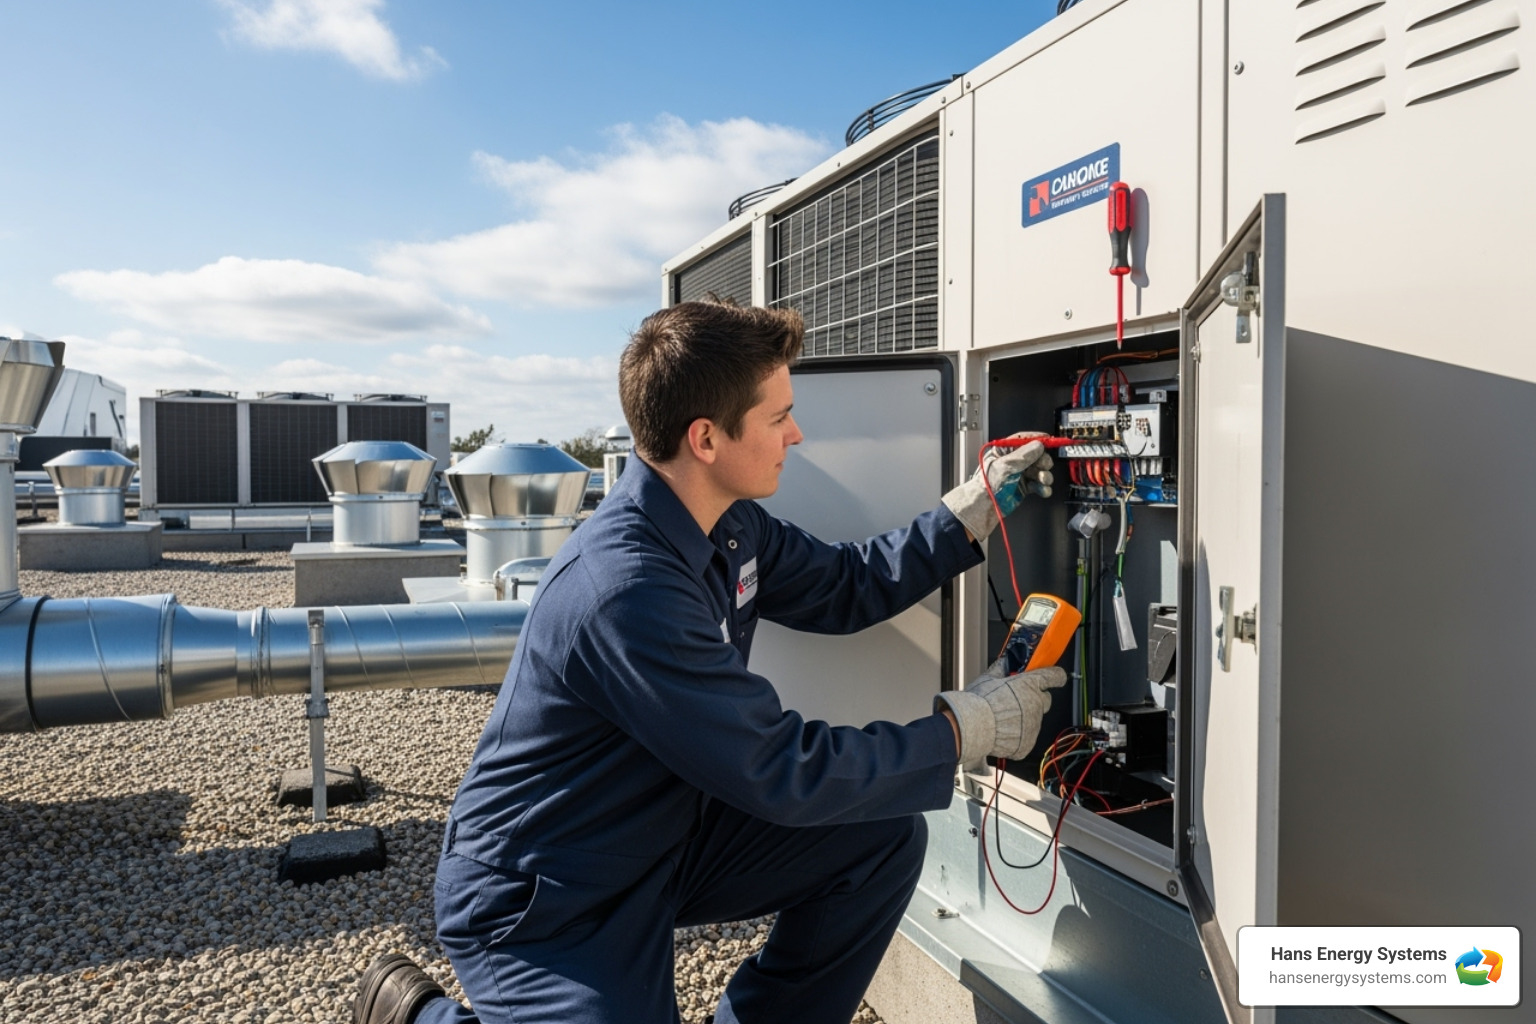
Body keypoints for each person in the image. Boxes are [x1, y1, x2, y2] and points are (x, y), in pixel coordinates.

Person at [354, 302, 1063, 1024]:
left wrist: (970, 513)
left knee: (877, 836)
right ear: (706, 439)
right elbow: (780, 769)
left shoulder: (727, 524)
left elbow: (845, 586)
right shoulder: (624, 591)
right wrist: (959, 731)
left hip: (662, 837)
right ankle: (418, 1017)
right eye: (778, 416)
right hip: (547, 889)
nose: (797, 433)